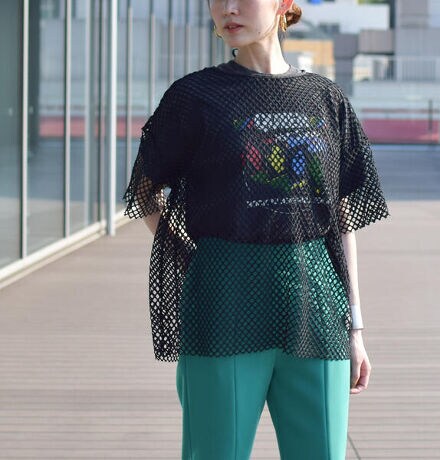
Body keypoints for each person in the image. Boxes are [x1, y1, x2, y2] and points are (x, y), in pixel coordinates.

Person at [123, 1, 389, 459]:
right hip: (222, 302)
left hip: (316, 304)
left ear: (283, 4)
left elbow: (342, 216)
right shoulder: (194, 96)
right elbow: (144, 192)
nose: (228, 8)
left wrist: (355, 328)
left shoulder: (325, 98)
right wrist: (192, 254)